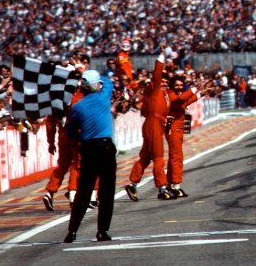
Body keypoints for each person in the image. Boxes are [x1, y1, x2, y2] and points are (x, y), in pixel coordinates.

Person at [63, 70, 116, 244]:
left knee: (84, 192)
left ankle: (72, 231)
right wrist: (90, 72)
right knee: (106, 192)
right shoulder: (103, 98)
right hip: (105, 147)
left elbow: (70, 132)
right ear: (96, 85)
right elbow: (108, 82)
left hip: (88, 148)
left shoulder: (78, 107)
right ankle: (102, 231)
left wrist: (82, 139)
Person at [125, 53, 175, 201]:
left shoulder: (166, 95)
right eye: (163, 81)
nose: (164, 83)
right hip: (153, 124)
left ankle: (132, 184)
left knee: (145, 158)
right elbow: (157, 75)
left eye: (167, 82)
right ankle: (162, 188)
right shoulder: (154, 89)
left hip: (156, 125)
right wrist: (161, 58)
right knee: (159, 157)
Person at [164, 75, 197, 198]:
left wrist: (200, 93)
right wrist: (193, 90)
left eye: (181, 85)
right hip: (173, 128)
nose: (179, 87)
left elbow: (185, 101)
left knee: (174, 156)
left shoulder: (178, 95)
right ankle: (176, 185)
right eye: (177, 85)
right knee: (177, 157)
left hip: (178, 128)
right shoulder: (170, 94)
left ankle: (169, 183)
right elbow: (179, 101)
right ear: (172, 86)